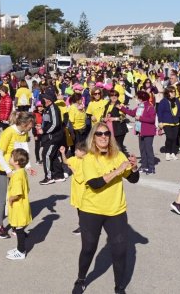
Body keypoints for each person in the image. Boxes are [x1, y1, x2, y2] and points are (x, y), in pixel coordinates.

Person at [73, 123, 140, 294]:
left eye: (107, 133)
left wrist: (134, 167)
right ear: (93, 138)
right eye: (99, 134)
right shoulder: (88, 159)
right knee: (89, 248)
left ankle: (119, 287)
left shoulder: (118, 155)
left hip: (116, 210)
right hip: (91, 210)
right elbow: (95, 184)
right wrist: (118, 171)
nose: (103, 137)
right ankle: (81, 279)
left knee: (120, 251)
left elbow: (133, 179)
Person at [0, 112, 35, 239]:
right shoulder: (8, 132)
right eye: (30, 126)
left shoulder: (24, 132)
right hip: (2, 168)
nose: (31, 129)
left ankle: (16, 226)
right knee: (3, 198)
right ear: (23, 124)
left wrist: (28, 166)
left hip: (15, 168)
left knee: (15, 198)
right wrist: (7, 171)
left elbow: (24, 150)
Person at [120, 90, 157, 174]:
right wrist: (122, 108)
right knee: (142, 149)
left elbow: (152, 120)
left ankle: (151, 167)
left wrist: (140, 118)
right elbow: (132, 113)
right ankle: (144, 166)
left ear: (141, 98)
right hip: (140, 131)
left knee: (148, 149)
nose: (137, 99)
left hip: (148, 132)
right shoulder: (140, 106)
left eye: (138, 97)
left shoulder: (149, 107)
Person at [5, 148, 32, 260]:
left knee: (19, 230)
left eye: (11, 157)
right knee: (18, 229)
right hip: (21, 206)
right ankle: (19, 248)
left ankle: (21, 251)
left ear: (16, 162)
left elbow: (18, 193)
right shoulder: (21, 171)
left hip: (18, 207)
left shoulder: (17, 176)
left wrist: (11, 199)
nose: (10, 159)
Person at [38, 90, 65, 185]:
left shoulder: (53, 108)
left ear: (49, 100)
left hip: (53, 137)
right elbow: (48, 121)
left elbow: (55, 124)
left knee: (46, 155)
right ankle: (59, 175)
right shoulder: (48, 108)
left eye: (44, 98)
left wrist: (44, 131)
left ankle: (48, 177)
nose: (42, 100)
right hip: (51, 136)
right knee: (53, 155)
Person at [60, 141, 87, 234]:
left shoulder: (86, 162)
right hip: (76, 190)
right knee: (79, 209)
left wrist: (71, 169)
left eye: (77, 150)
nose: (75, 152)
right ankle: (83, 226)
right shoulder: (75, 158)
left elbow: (79, 177)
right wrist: (63, 153)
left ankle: (83, 227)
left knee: (83, 210)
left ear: (83, 152)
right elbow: (65, 161)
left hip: (83, 191)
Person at [157, 86, 180, 161]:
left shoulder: (177, 100)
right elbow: (160, 112)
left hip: (175, 122)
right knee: (169, 137)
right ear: (168, 93)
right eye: (172, 92)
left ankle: (173, 153)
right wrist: (160, 121)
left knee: (174, 138)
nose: (174, 93)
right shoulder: (163, 101)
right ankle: (167, 152)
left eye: (174, 91)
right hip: (166, 122)